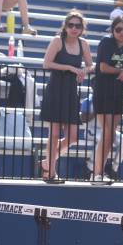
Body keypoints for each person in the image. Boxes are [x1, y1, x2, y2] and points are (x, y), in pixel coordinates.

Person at [40, 11, 93, 181]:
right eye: (71, 25)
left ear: (82, 28)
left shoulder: (83, 43)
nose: (74, 28)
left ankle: (48, 161)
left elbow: (91, 65)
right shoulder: (57, 40)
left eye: (78, 25)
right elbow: (46, 63)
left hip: (71, 91)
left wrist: (84, 70)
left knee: (74, 136)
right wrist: (70, 68)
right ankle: (51, 173)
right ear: (65, 26)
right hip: (56, 89)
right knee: (54, 134)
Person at [92, 14, 123, 182]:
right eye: (118, 29)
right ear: (113, 30)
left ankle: (98, 172)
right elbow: (103, 67)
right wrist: (122, 71)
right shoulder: (106, 42)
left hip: (119, 91)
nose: (122, 33)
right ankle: (97, 172)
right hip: (104, 91)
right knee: (108, 133)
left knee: (110, 134)